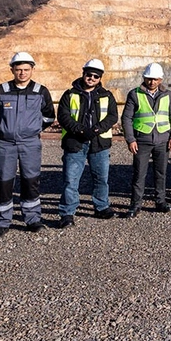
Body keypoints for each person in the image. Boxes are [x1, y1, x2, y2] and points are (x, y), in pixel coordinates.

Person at [0, 51, 55, 237]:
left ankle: (33, 219)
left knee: (31, 181)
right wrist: (3, 129)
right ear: (12, 69)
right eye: (18, 69)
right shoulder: (1, 90)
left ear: (32, 70)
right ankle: (2, 222)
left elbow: (49, 117)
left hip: (30, 144)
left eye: (26, 69)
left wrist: (33, 129)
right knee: (4, 182)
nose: (22, 73)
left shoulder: (40, 91)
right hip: (5, 145)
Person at [57, 58, 119, 225]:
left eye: (95, 76)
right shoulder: (69, 94)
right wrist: (81, 130)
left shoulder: (107, 95)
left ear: (100, 78)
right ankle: (67, 213)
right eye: (89, 75)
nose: (91, 78)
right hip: (75, 143)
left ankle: (101, 207)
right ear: (83, 74)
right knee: (71, 180)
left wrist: (97, 129)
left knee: (101, 178)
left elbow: (113, 116)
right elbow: (63, 116)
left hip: (99, 144)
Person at [121, 62, 171, 215]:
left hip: (163, 141)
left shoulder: (167, 95)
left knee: (161, 173)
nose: (152, 82)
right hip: (142, 140)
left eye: (155, 79)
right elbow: (127, 118)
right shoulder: (135, 94)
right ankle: (135, 205)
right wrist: (130, 139)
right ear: (144, 78)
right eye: (149, 79)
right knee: (139, 173)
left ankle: (160, 202)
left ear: (160, 80)